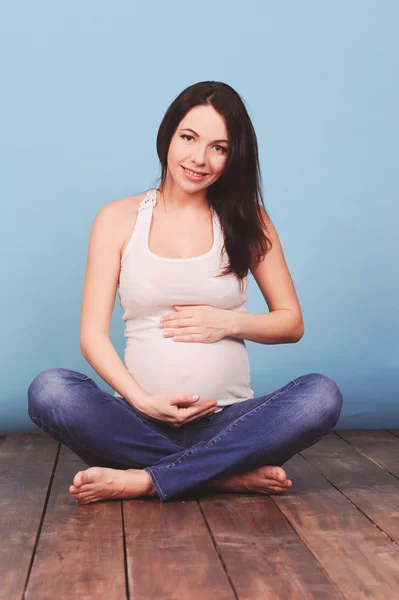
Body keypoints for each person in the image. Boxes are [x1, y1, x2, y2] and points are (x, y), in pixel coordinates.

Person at [27, 81, 343, 504]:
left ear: (234, 157)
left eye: (219, 147)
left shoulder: (250, 222)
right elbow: (92, 337)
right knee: (49, 390)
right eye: (188, 138)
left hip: (227, 421)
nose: (199, 159)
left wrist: (227, 321)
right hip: (136, 419)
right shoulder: (118, 218)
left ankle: (146, 479)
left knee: (321, 396)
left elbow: (291, 322)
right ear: (168, 136)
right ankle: (219, 476)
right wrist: (142, 400)